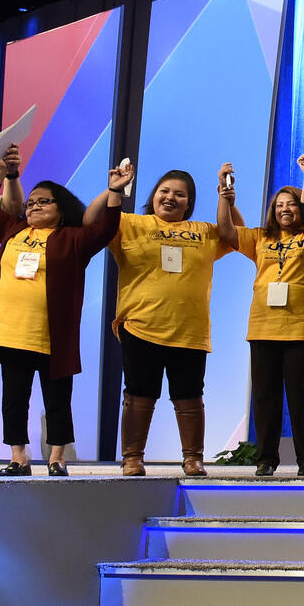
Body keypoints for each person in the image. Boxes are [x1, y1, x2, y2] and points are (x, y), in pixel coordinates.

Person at [0, 146, 124, 476]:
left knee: (57, 399)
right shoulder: (12, 230)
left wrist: (115, 192)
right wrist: (0, 172)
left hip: (51, 335)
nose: (34, 206)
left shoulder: (73, 238)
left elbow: (106, 229)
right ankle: (18, 456)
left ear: (61, 208)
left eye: (44, 201)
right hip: (10, 331)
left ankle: (56, 456)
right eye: (31, 203)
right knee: (13, 399)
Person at [95, 164, 234, 476]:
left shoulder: (203, 231)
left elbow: (232, 234)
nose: (171, 198)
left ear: (189, 202)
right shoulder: (131, 224)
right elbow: (94, 222)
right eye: (165, 191)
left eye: (180, 194)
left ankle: (193, 458)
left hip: (190, 329)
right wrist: (115, 189)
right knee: (138, 394)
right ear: (154, 196)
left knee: (190, 396)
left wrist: (226, 198)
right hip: (141, 325)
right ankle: (132, 458)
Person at [219, 156, 304, 477]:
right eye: (279, 204)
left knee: (299, 395)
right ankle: (266, 458)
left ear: (302, 207)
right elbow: (229, 231)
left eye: (292, 203)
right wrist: (225, 197)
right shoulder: (261, 238)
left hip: (299, 327)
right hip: (262, 326)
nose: (285, 208)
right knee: (265, 397)